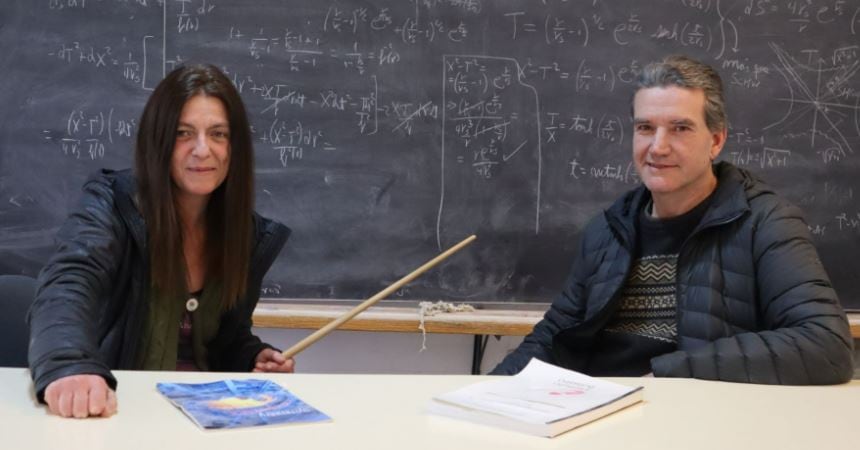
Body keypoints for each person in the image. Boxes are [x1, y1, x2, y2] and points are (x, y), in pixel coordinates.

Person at [491, 55, 854, 384]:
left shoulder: (766, 222)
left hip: (694, 418)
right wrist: (485, 393)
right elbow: (553, 337)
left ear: (716, 141)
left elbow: (825, 345)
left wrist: (669, 373)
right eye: (645, 128)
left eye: (680, 128)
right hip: (593, 412)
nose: (658, 147)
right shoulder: (609, 229)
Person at [27, 64, 294, 419]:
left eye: (218, 134)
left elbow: (222, 340)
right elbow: (67, 283)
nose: (203, 150)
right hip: (120, 412)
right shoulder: (111, 205)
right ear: (159, 140)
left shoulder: (244, 233)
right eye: (184, 133)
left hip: (206, 417)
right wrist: (68, 364)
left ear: (234, 148)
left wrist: (250, 356)